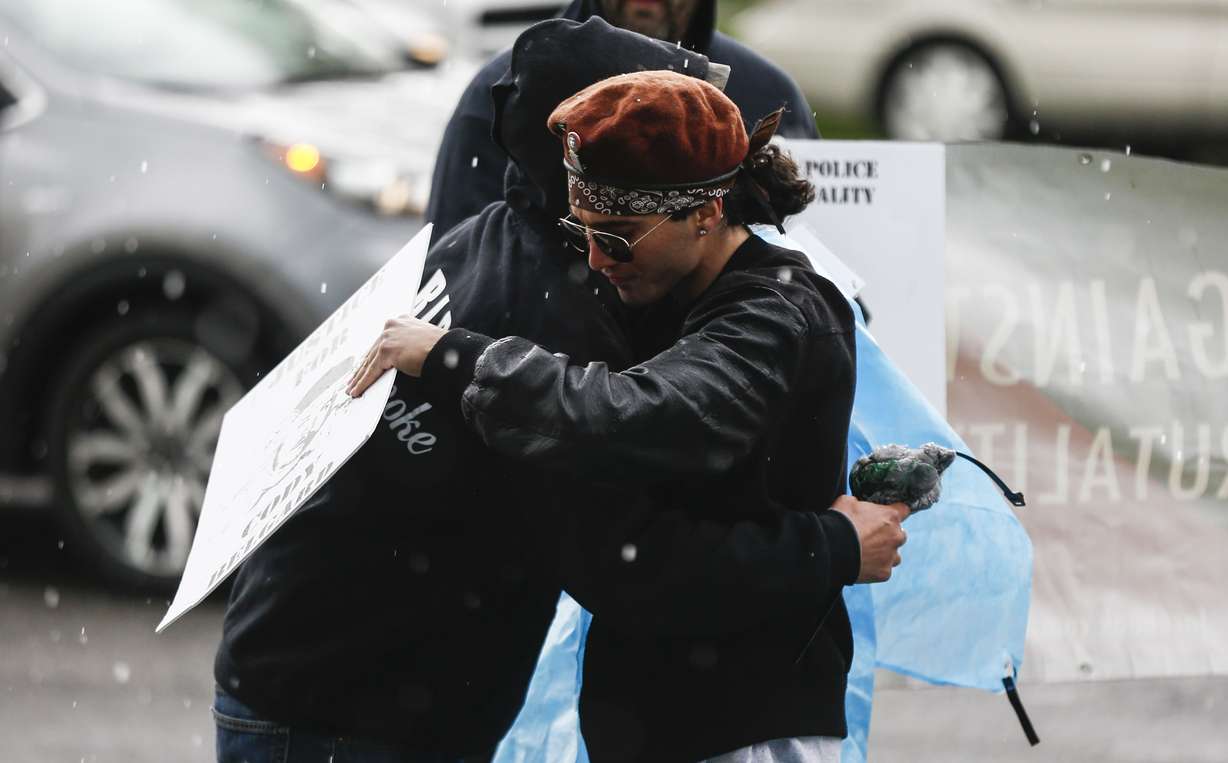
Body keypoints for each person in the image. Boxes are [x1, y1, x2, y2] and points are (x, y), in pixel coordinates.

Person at [215, 19, 905, 763]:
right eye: (588, 232)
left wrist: (455, 357)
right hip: (352, 706)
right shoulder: (559, 302)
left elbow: (655, 427)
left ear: (704, 211)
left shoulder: (519, 244)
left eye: (619, 236)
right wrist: (829, 545)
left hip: (340, 687)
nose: (603, 258)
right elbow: (632, 561)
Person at [425, 0, 819, 244]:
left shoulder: (764, 91)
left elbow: (811, 254)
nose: (602, 257)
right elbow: (453, 256)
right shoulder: (511, 89)